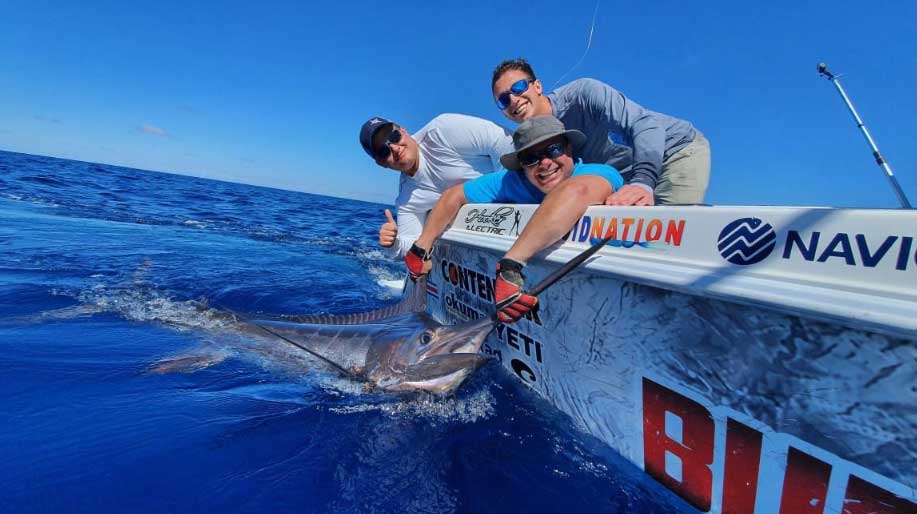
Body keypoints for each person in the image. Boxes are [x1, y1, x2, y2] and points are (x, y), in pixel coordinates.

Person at [403, 115, 623, 323]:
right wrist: (421, 247)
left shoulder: (601, 172)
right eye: (530, 158)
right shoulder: (512, 180)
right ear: (521, 166)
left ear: (569, 149)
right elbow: (454, 196)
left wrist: (510, 267)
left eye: (553, 150)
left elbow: (576, 191)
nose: (544, 163)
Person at [490, 58, 710, 207]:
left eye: (518, 88)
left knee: (662, 243)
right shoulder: (528, 146)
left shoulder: (584, 93)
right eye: (503, 100)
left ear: (537, 86)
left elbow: (646, 124)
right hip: (627, 177)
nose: (513, 100)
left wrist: (643, 181)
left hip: (675, 153)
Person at [359, 114, 514, 258]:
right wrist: (394, 244)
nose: (394, 148)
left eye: (394, 137)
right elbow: (410, 245)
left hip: (516, 205)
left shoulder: (441, 130)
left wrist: (508, 198)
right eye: (384, 151)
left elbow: (501, 139)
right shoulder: (406, 200)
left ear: (403, 131)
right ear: (381, 163)